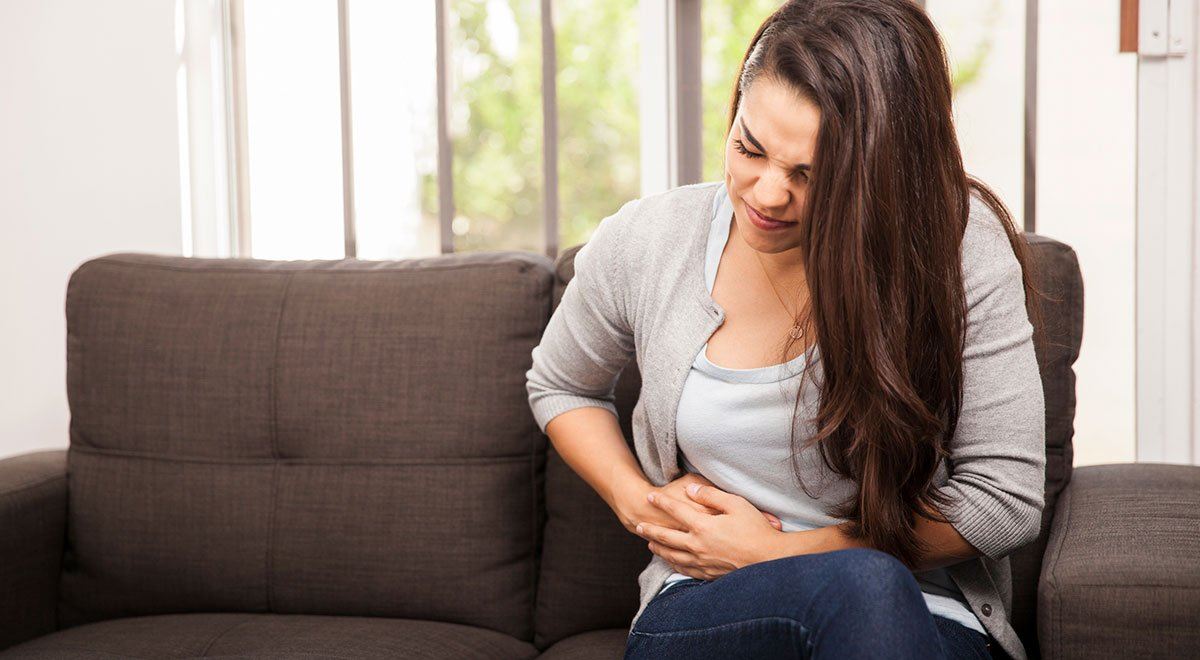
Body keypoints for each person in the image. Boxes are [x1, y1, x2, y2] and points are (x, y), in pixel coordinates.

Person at [525, 1, 1048, 658]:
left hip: (921, 614)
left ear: (880, 174)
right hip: (707, 606)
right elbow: (559, 384)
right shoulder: (651, 238)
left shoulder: (956, 246)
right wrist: (640, 503)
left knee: (865, 587)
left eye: (811, 175)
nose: (767, 194)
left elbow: (1004, 497)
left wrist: (778, 551)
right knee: (862, 586)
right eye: (750, 147)